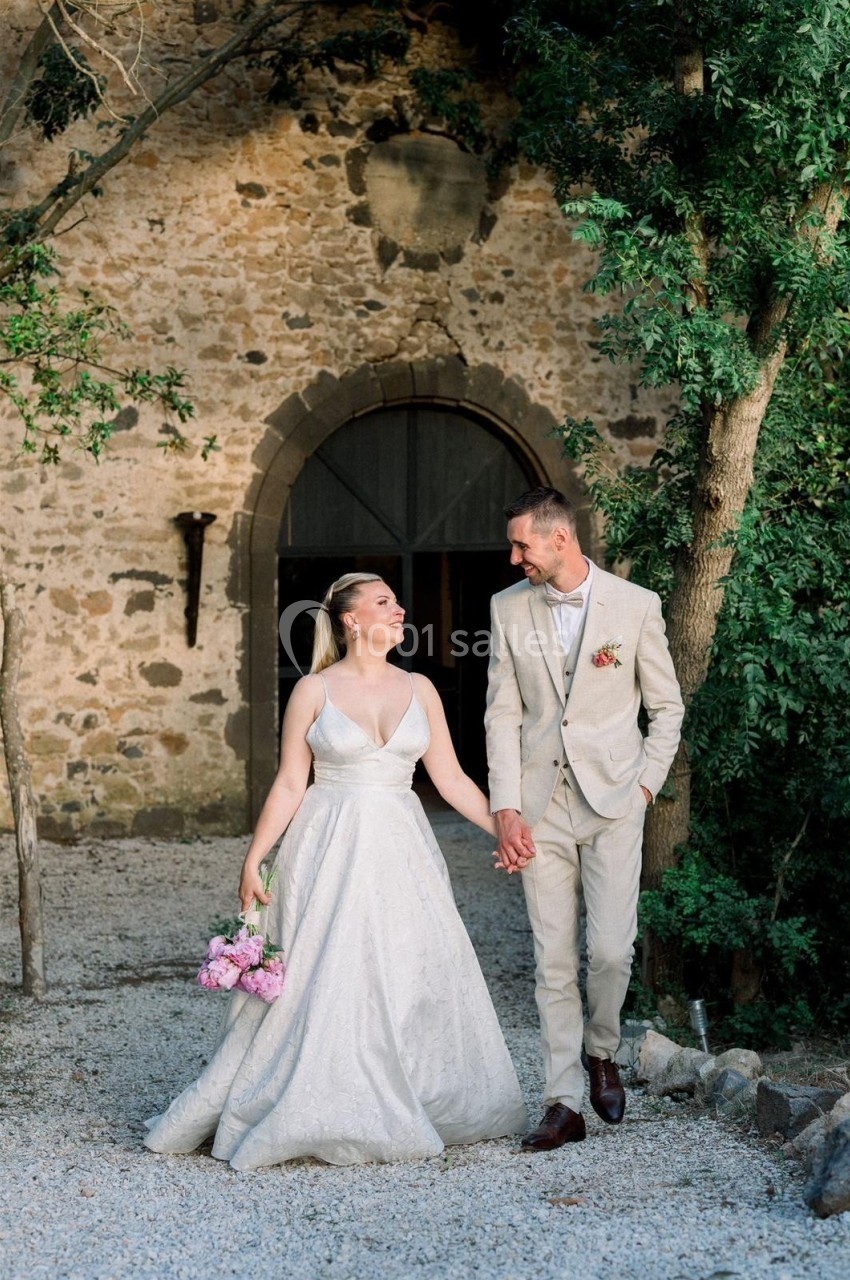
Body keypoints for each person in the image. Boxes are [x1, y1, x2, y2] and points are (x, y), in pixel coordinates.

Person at [145, 572, 526, 1169]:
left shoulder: (420, 688)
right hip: (326, 845)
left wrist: (506, 831)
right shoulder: (314, 691)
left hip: (400, 848)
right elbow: (292, 782)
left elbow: (450, 779)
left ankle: (415, 1089)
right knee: (325, 967)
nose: (400, 609)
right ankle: (313, 1094)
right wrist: (255, 857)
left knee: (404, 964)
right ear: (351, 620)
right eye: (383, 602)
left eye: (397, 601)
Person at [485, 487, 684, 1151]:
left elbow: (667, 709)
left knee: (608, 950)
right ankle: (563, 1100)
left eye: (523, 546)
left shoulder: (636, 605)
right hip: (541, 807)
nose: (515, 558)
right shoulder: (507, 608)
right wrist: (506, 807)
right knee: (551, 961)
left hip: (614, 804)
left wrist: (645, 790)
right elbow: (503, 713)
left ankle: (602, 1049)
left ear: (560, 539)